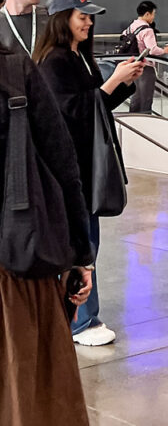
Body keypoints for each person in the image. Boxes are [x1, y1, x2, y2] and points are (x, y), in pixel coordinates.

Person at [34, 0, 143, 347]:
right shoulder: (54, 62)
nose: (89, 23)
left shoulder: (78, 57)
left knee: (86, 240)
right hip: (70, 168)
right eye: (82, 17)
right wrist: (112, 82)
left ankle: (76, 317)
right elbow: (68, 113)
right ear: (62, 20)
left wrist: (124, 82)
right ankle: (81, 320)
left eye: (90, 17)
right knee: (81, 244)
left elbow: (96, 104)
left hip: (85, 165)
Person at [0, 48, 95, 424]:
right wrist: (80, 256)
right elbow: (62, 163)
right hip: (18, 263)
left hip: (17, 265)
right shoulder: (13, 70)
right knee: (32, 397)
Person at [127, 0, 168, 114]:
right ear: (147, 14)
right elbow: (152, 50)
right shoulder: (147, 30)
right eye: (153, 14)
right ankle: (146, 120)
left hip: (132, 66)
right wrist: (165, 50)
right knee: (146, 99)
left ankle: (132, 120)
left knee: (136, 97)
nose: (153, 17)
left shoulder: (131, 27)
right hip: (145, 67)